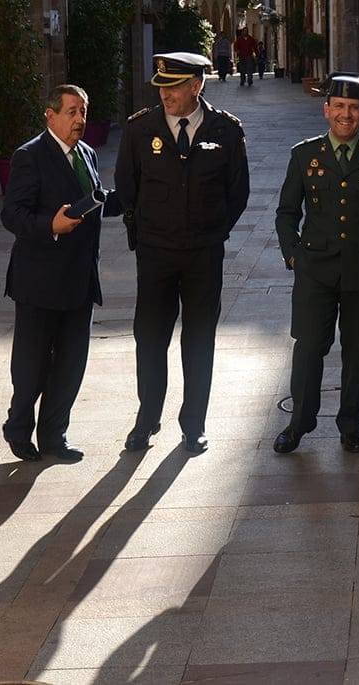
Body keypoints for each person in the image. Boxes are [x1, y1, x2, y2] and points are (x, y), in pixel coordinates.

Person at [116, 52, 249, 454]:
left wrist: (212, 231)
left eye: (172, 85)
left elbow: (237, 192)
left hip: (203, 255)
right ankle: (147, 418)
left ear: (197, 86)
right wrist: (145, 233)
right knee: (151, 338)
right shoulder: (141, 129)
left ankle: (194, 424)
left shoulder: (225, 130)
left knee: (199, 339)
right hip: (156, 254)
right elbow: (127, 187)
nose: (164, 93)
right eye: (160, 85)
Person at [273, 75, 359, 455]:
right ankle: (299, 424)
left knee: (357, 353)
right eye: (340, 107)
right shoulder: (304, 155)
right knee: (309, 348)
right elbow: (286, 213)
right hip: (315, 270)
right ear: (326, 110)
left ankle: (351, 427)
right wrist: (293, 253)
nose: (347, 115)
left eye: (355, 108)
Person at [0, 84, 122, 464]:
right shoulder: (30, 156)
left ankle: (54, 435)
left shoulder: (86, 153)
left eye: (83, 111)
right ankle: (18, 430)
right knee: (32, 365)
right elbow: (12, 215)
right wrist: (50, 225)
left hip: (79, 279)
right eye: (71, 111)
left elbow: (93, 202)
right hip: (39, 281)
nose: (80, 120)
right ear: (50, 116)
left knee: (70, 364)